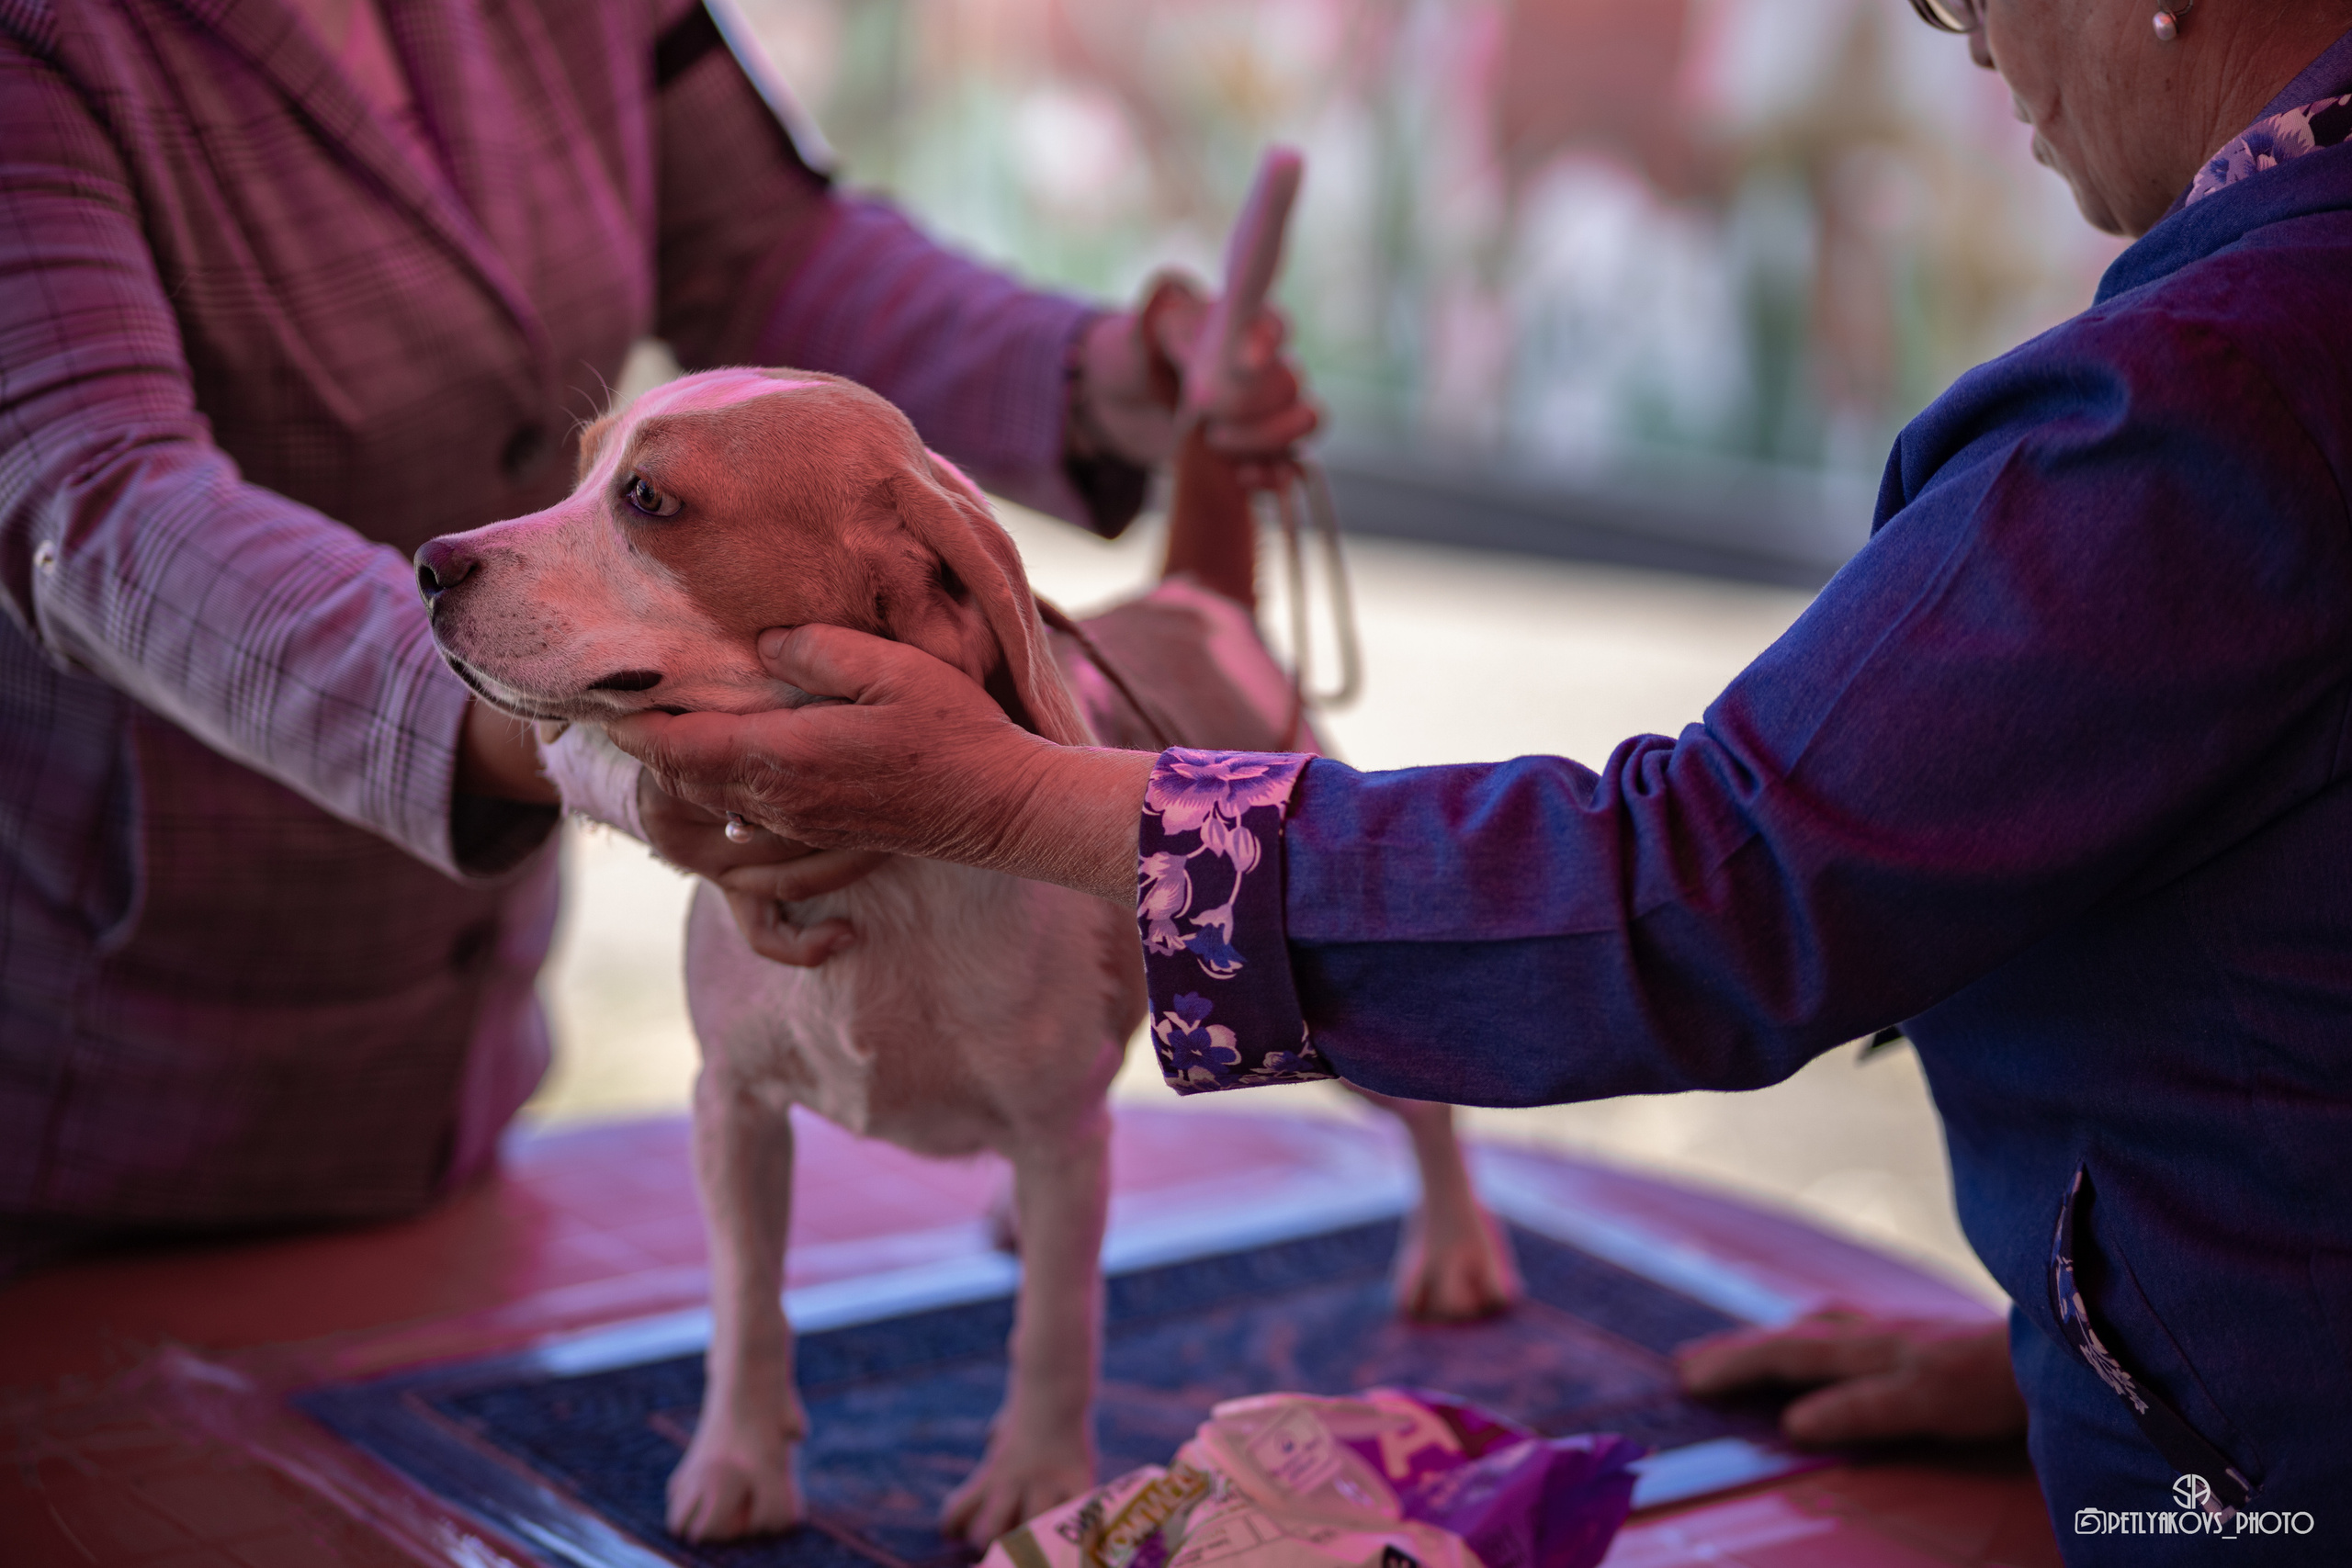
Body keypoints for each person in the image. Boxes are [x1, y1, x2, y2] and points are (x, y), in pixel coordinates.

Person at [611, 0, 2352, 1555]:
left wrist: (1005, 802)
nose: (1965, 41)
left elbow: (1704, 890)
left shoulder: (2208, 398)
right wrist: (2077, 1340)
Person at [0, 0, 1310, 1276]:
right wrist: (570, 752)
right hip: (101, 1077)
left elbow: (763, 254)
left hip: (448, 1081)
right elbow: (86, 487)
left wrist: (1092, 374)